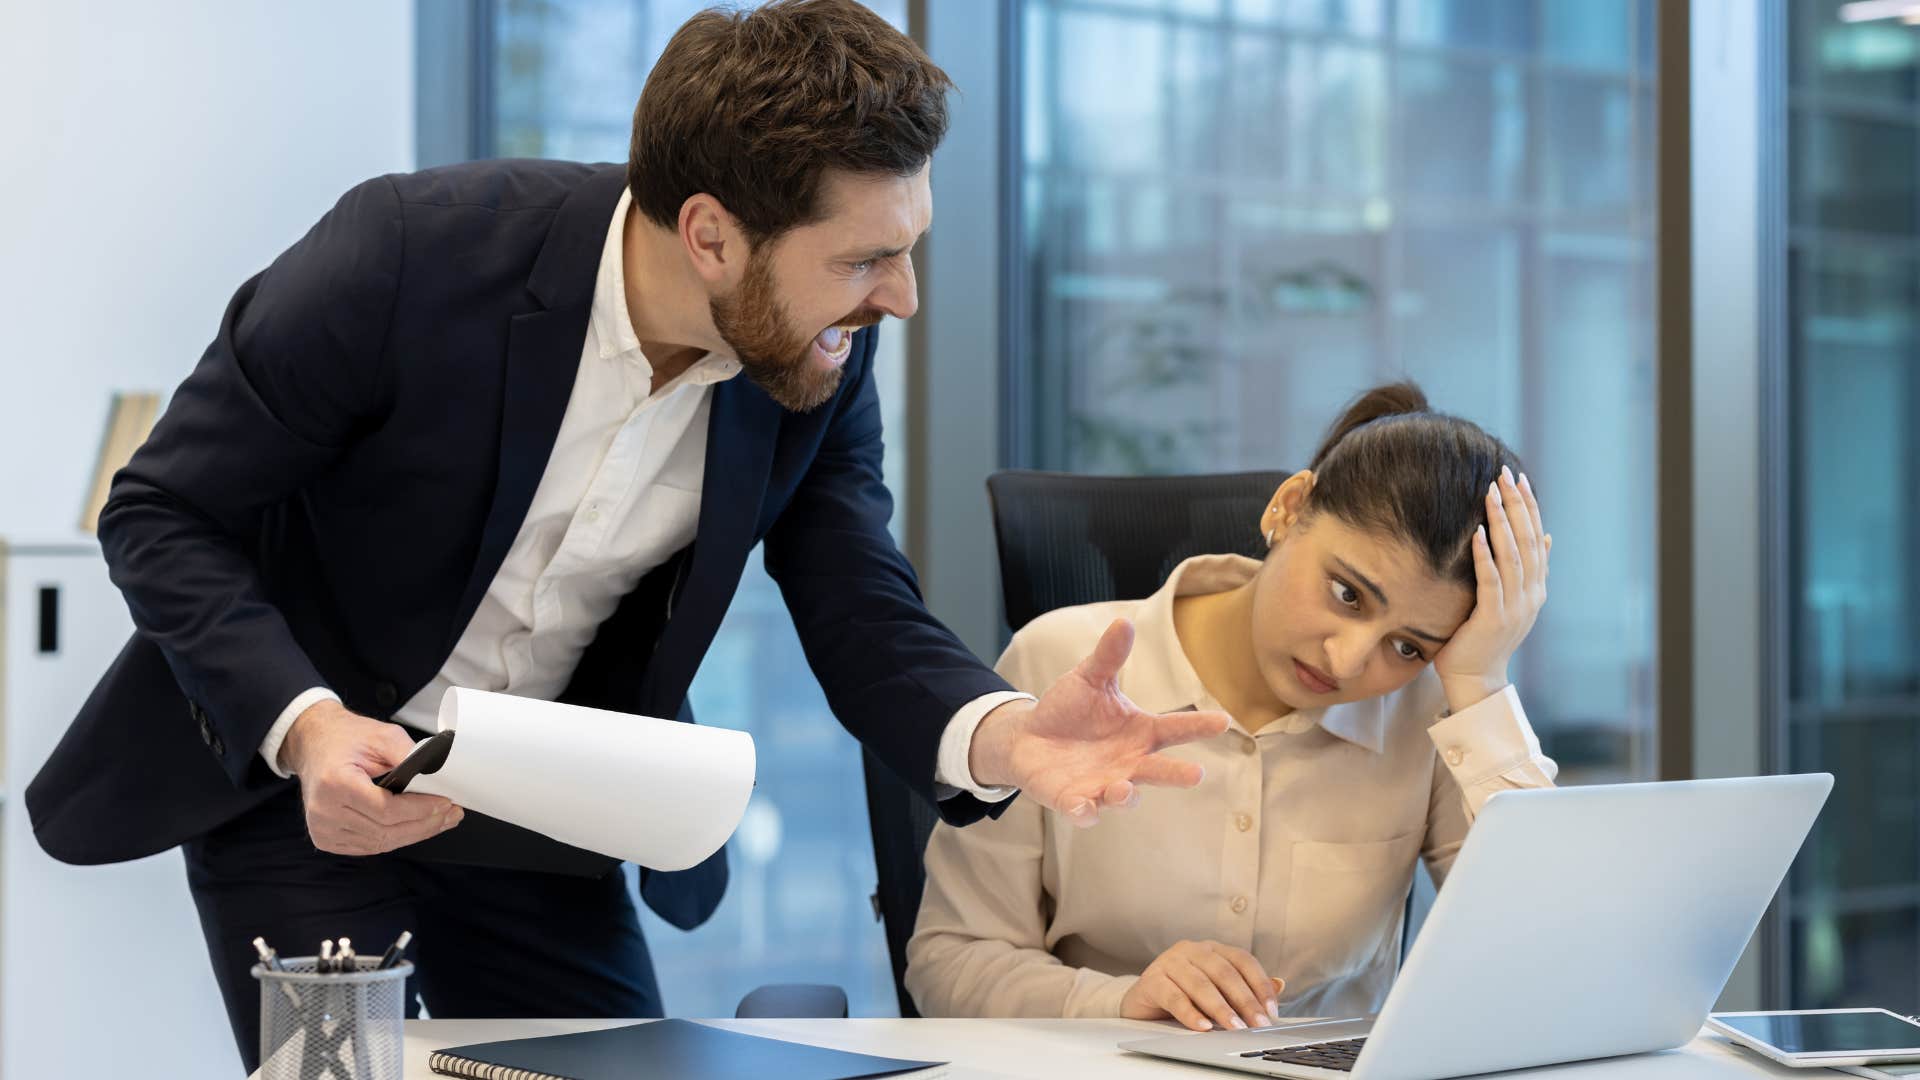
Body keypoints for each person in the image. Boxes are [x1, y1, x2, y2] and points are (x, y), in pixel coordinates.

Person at [23, 1, 1226, 1069]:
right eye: (865, 259)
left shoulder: (816, 355)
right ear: (710, 236)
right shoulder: (404, 255)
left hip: (540, 801)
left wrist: (1007, 736)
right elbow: (163, 508)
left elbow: (857, 598)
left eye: (907, 249)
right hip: (316, 788)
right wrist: (305, 726)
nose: (901, 299)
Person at [905, 382, 1558, 1032]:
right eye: (1347, 594)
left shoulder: (1436, 712)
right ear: (1289, 507)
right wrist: (1122, 1002)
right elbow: (949, 961)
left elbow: (1548, 966)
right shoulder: (1059, 661)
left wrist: (1480, 682)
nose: (1347, 660)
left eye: (1408, 646)